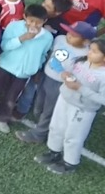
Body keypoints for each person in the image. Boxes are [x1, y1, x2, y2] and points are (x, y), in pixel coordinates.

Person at [0, 4, 53, 133]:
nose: (34, 25)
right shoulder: (14, 27)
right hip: (5, 65)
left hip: (24, 72)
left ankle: (2, 118)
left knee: (12, 96)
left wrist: (36, 67)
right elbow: (4, 46)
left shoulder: (47, 37)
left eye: (39, 23)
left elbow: (43, 54)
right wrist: (22, 38)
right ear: (25, 17)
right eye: (31, 21)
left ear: (45, 21)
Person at [34, 36, 105, 175]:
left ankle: (70, 162)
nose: (90, 52)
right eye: (90, 49)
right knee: (56, 127)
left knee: (73, 136)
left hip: (82, 109)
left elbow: (102, 99)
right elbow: (67, 71)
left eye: (95, 52)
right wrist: (64, 74)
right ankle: (54, 151)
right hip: (65, 98)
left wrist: (80, 88)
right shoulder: (82, 62)